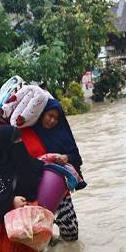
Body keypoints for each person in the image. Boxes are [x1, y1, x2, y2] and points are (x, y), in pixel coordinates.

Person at [32, 99, 85, 241]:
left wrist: (66, 157)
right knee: (40, 234)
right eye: (50, 115)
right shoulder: (31, 132)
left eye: (56, 118)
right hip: (35, 190)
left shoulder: (62, 133)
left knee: (71, 233)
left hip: (59, 190)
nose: (52, 121)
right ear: (42, 113)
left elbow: (76, 157)